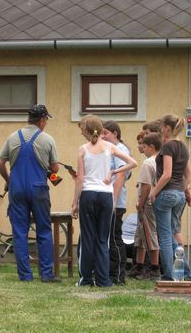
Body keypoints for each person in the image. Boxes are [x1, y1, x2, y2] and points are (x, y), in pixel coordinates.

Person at [0, 104, 60, 282]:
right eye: (46, 120)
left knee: (19, 232)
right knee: (44, 230)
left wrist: (9, 181)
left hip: (16, 189)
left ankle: (25, 275)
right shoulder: (47, 139)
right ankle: (47, 274)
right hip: (38, 188)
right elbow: (55, 168)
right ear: (42, 120)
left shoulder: (12, 137)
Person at [72, 115, 137, 287]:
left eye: (81, 130)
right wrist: (114, 172)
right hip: (106, 196)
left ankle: (85, 279)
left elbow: (80, 179)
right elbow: (133, 163)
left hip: (88, 195)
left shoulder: (82, 149)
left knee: (87, 238)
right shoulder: (110, 147)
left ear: (87, 130)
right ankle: (103, 280)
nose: (81, 134)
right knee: (103, 240)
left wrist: (74, 203)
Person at [149, 114, 191, 281]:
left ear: (167, 128)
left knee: (165, 236)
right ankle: (188, 273)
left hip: (166, 195)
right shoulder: (183, 147)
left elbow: (167, 174)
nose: (161, 129)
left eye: (162, 126)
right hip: (179, 196)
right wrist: (181, 191)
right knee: (172, 234)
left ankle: (169, 274)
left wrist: (154, 192)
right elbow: (188, 176)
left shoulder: (167, 147)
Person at [102, 120, 132, 285]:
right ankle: (111, 272)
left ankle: (119, 275)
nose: (103, 136)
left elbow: (121, 175)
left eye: (105, 133)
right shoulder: (111, 150)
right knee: (110, 237)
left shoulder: (120, 149)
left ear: (115, 133)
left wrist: (113, 201)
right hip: (110, 200)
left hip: (116, 202)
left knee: (114, 238)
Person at [129, 133, 161, 280]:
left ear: (151, 147)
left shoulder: (148, 163)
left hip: (147, 204)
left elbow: (146, 186)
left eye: (144, 146)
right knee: (141, 236)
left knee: (149, 234)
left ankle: (154, 268)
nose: (142, 148)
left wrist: (140, 204)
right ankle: (139, 266)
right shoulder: (160, 161)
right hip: (154, 203)